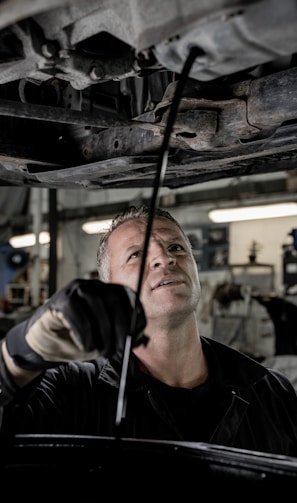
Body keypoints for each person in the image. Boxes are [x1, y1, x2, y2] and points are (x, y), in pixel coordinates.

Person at [1, 204, 297, 459]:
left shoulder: (271, 392)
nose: (165, 258)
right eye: (136, 254)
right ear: (109, 285)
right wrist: (20, 353)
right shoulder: (71, 391)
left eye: (176, 248)